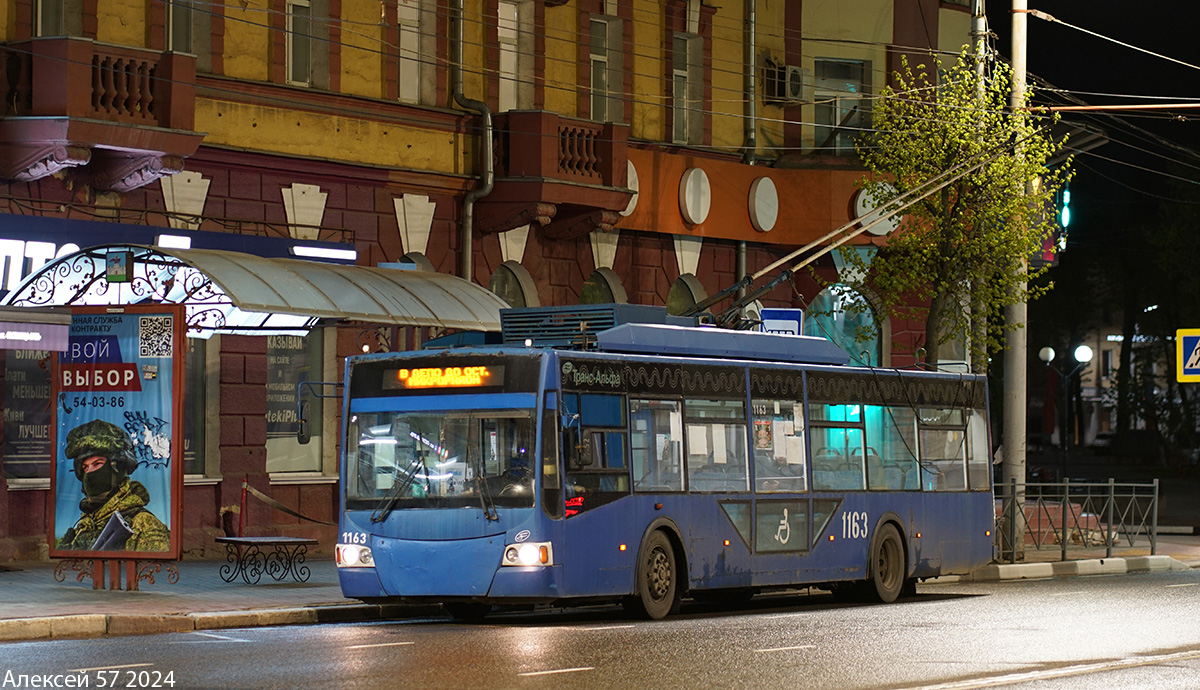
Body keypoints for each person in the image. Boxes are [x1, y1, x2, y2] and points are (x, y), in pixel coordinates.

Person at [58, 419, 169, 553]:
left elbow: (151, 571)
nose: (90, 473)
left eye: (98, 464)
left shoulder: (143, 524)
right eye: (85, 468)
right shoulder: (86, 524)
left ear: (117, 467)